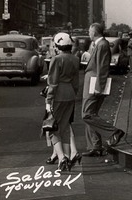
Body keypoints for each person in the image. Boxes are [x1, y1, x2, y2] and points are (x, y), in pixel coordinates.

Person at [82, 22, 125, 156]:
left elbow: (102, 67)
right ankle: (95, 146)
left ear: (95, 32)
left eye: (90, 31)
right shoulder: (98, 45)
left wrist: (99, 86)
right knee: (91, 114)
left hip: (94, 83)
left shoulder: (102, 45)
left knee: (87, 114)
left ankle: (113, 132)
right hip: (92, 81)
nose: (89, 33)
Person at [45, 32, 81, 172]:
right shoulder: (75, 59)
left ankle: (61, 158)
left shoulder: (56, 59)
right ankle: (66, 156)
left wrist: (48, 101)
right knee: (65, 127)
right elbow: (76, 82)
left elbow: (53, 82)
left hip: (58, 95)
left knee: (52, 127)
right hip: (70, 94)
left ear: (57, 46)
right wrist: (73, 92)